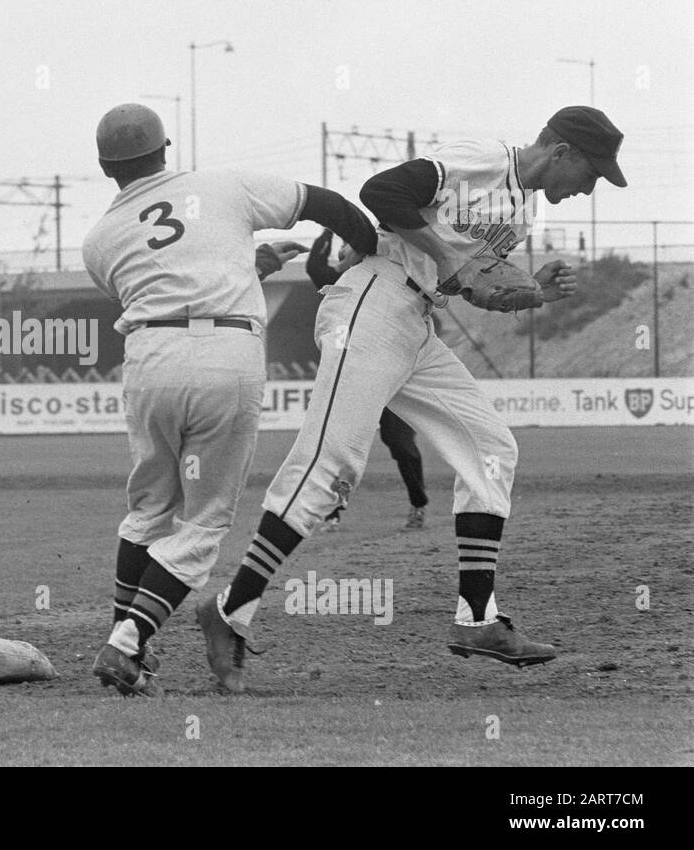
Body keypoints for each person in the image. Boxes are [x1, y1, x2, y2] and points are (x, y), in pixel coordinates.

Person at [197, 106, 625, 692]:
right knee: (331, 465)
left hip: (416, 321)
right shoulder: (483, 162)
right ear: (562, 152)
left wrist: (535, 293)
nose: (588, 188)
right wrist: (449, 253)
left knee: (490, 446)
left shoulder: (520, 216)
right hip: (371, 304)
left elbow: (471, 287)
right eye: (592, 173)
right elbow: (382, 191)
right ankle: (229, 612)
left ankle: (477, 620)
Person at [81, 103, 377, 696]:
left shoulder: (99, 239)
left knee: (148, 509)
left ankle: (127, 640)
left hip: (148, 359)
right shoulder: (222, 184)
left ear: (105, 167)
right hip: (225, 356)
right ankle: (127, 643)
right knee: (205, 520)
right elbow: (327, 204)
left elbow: (170, 282)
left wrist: (247, 266)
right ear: (166, 149)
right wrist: (370, 249)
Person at [304, 228, 429, 532]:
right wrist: (326, 231)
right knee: (340, 446)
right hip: (353, 381)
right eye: (342, 247)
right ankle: (331, 512)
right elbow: (314, 266)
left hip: (392, 381)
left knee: (400, 444)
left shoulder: (390, 279)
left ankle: (418, 504)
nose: (344, 250)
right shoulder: (339, 283)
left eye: (350, 244)